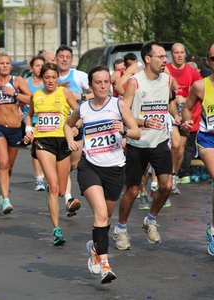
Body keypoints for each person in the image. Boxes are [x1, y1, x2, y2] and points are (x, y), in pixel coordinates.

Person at [65, 65, 140, 284]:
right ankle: (105, 265)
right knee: (99, 214)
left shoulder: (118, 104)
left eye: (106, 81)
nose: (103, 86)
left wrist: (124, 130)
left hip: (115, 169)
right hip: (90, 167)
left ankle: (94, 248)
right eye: (98, 82)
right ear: (91, 85)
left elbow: (136, 131)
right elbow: (68, 125)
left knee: (105, 218)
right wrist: (70, 139)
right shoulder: (84, 108)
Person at [112, 41, 177, 250]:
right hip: (138, 142)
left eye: (165, 57)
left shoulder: (167, 80)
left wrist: (177, 118)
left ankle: (150, 219)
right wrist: (142, 122)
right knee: (131, 191)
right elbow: (124, 111)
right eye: (160, 56)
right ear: (147, 59)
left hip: (159, 141)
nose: (165, 60)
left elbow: (169, 104)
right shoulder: (134, 82)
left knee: (166, 185)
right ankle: (120, 229)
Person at [24, 63, 78, 245]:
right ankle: (56, 230)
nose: (50, 81)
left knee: (62, 190)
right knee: (53, 186)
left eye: (53, 77)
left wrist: (76, 127)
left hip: (62, 141)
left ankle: (54, 195)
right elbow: (29, 115)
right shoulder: (36, 95)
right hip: (43, 141)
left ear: (58, 78)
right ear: (42, 78)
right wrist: (29, 130)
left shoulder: (64, 93)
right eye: (47, 77)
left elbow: (79, 112)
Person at [0, 52, 31, 214]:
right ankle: (6, 200)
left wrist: (16, 95)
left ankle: (1, 185)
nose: (4, 65)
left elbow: (32, 99)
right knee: (3, 163)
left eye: (7, 63)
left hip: (14, 129)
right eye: (1, 63)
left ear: (10, 66)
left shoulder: (17, 81)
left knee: (9, 166)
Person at [182, 43, 214, 256]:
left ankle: (212, 229)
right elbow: (186, 107)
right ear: (209, 61)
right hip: (208, 140)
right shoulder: (201, 86)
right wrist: (185, 121)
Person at [56, 44, 93, 217]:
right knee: (62, 161)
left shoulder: (79, 76)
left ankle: (57, 180)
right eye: (61, 56)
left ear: (71, 59)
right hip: (55, 129)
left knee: (74, 164)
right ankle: (69, 200)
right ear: (56, 59)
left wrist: (79, 97)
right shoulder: (51, 77)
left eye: (67, 56)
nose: (64, 59)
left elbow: (98, 93)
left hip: (76, 125)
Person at [166, 43, 201, 192]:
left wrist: (185, 99)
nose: (179, 55)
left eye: (182, 52)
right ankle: (166, 178)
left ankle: (173, 177)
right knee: (173, 146)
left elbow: (200, 91)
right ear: (171, 55)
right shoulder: (166, 69)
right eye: (176, 53)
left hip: (186, 114)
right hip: (169, 114)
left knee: (180, 150)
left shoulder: (191, 72)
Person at [25, 55, 46, 191]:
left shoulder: (49, 81)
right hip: (32, 119)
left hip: (47, 120)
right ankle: (39, 179)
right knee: (37, 149)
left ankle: (49, 175)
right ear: (32, 68)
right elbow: (21, 98)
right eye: (37, 65)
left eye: (42, 65)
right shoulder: (26, 82)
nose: (40, 68)